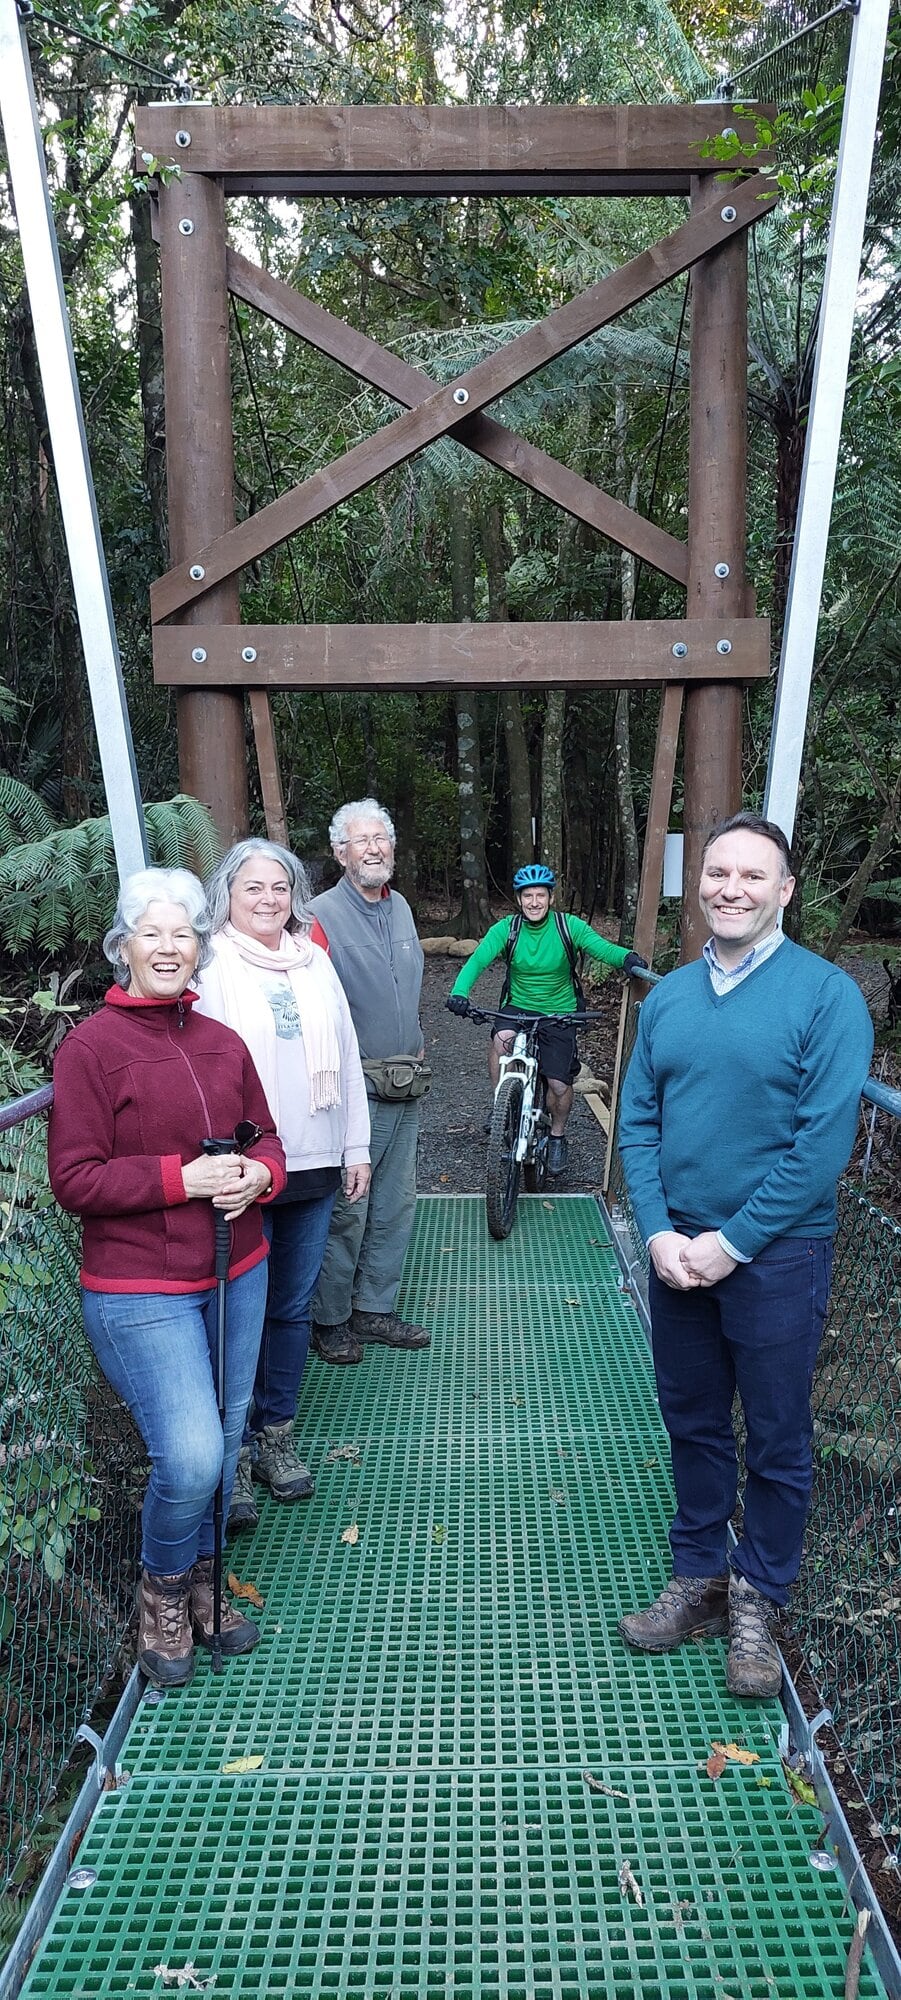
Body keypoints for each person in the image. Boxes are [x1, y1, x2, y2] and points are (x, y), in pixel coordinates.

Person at [617, 812, 874, 1697]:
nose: (730, 889)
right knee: (690, 1421)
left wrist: (732, 1243)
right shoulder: (671, 998)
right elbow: (639, 1122)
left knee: (773, 1433)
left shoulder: (825, 997)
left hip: (774, 1255)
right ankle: (699, 1574)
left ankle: (759, 1593)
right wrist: (656, 1231)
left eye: (751, 877)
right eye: (717, 873)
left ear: (785, 892)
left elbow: (818, 1148)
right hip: (677, 1250)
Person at [48, 867, 286, 1690]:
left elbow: (269, 1143)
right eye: (151, 934)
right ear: (123, 949)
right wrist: (181, 1180)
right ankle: (161, 1588)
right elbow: (75, 1179)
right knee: (188, 1455)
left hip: (238, 1270)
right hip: (139, 1289)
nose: (168, 947)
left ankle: (203, 1583)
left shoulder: (224, 1043)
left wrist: (258, 1178)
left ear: (200, 949)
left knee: (225, 1437)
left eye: (182, 934)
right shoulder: (91, 1050)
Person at [195, 838, 371, 1528]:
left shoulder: (315, 960)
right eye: (253, 888)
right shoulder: (210, 963)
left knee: (291, 1308)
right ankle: (233, 1450)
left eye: (279, 887)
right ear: (227, 897)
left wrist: (354, 1146)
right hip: (244, 1168)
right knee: (236, 1309)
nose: (268, 899)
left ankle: (277, 1437)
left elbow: (349, 1056)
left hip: (316, 1158)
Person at [308, 798, 431, 1366]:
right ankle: (329, 1317)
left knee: (395, 1203)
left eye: (381, 837)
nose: (375, 848)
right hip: (352, 1091)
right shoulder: (317, 917)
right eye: (361, 840)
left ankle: (373, 1308)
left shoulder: (402, 906)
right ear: (340, 852)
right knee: (347, 1208)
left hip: (408, 1081)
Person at [446, 864, 645, 1175]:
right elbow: (478, 959)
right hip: (517, 1007)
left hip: (559, 1013)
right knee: (500, 1042)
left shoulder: (569, 927)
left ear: (551, 899)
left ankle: (557, 1135)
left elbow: (602, 949)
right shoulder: (507, 930)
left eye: (540, 895)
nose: (534, 902)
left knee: (558, 1083)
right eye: (528, 896)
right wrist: (459, 992)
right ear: (519, 899)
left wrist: (626, 959)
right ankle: (503, 1106)